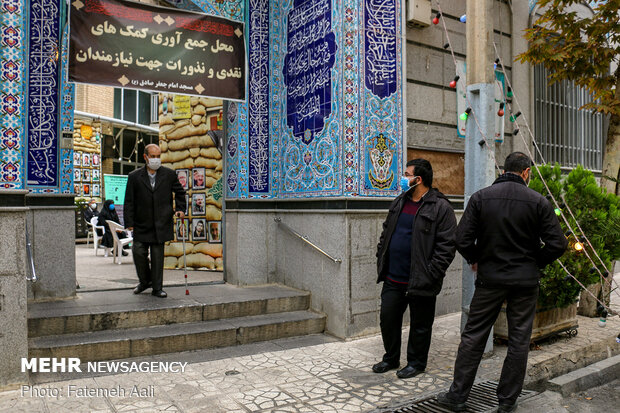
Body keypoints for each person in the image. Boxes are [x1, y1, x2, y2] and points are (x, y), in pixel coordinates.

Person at [437, 152, 568, 412]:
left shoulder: (481, 198)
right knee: (519, 340)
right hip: (525, 282)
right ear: (526, 172)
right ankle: (507, 402)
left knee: (473, 336)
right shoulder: (538, 201)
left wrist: (476, 259)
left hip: (490, 279)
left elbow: (461, 239)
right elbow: (559, 244)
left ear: (504, 170)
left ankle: (457, 396)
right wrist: (536, 262)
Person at [373, 159, 457, 379]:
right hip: (394, 277)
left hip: (421, 279)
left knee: (420, 325)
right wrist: (381, 254)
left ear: (418, 179)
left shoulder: (441, 207)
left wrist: (432, 273)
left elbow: (447, 246)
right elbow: (386, 232)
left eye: (406, 174)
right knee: (387, 318)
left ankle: (416, 363)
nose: (403, 177)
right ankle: (391, 358)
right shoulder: (400, 201)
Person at [124, 144, 186, 298]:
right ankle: (145, 281)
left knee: (158, 256)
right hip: (141, 222)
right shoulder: (134, 176)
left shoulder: (169, 174)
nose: (156, 159)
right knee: (138, 252)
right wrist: (129, 222)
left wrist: (180, 208)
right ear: (145, 157)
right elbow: (129, 201)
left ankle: (157, 288)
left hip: (161, 222)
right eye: (153, 156)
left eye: (158, 156)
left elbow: (180, 192)